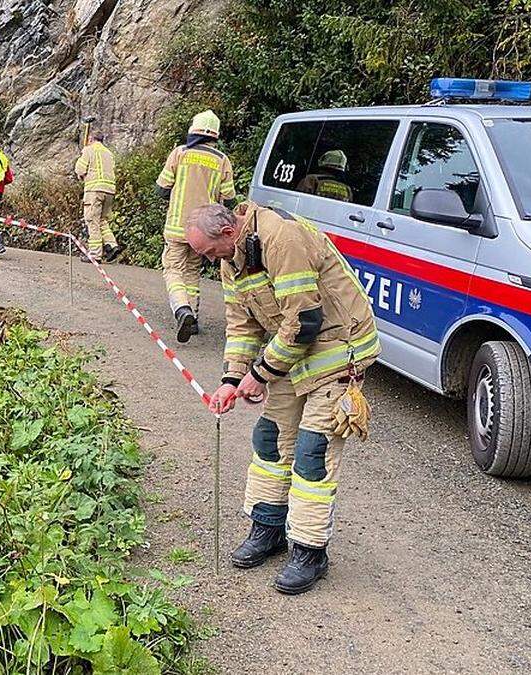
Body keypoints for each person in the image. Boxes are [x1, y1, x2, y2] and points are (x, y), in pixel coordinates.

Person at [187, 201, 379, 595]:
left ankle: (310, 551)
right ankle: (268, 528)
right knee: (271, 440)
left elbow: (305, 321)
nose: (208, 262)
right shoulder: (233, 257)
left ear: (227, 233)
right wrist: (231, 378)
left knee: (313, 451)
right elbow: (241, 325)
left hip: (337, 351)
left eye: (208, 253)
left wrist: (260, 374)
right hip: (293, 355)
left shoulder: (281, 237)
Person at [155, 110, 236, 343]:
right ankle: (193, 318)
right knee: (191, 271)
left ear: (193, 129)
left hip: (177, 226)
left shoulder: (180, 153)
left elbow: (161, 188)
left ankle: (182, 310)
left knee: (172, 269)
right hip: (205, 232)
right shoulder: (222, 160)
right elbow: (229, 199)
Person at [73, 130, 122, 261]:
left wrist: (81, 163)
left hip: (94, 190)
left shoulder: (88, 150)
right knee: (102, 220)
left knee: (92, 221)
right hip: (110, 190)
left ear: (90, 139)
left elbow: (80, 169)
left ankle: (95, 255)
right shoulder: (109, 153)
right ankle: (111, 246)